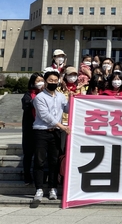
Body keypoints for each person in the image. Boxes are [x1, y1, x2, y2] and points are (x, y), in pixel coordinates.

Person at [32, 70, 70, 202]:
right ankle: (39, 188)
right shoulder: (39, 97)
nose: (53, 83)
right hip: (41, 132)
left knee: (54, 161)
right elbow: (45, 116)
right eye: (50, 80)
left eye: (55, 80)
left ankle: (53, 187)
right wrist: (62, 126)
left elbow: (68, 109)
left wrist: (72, 97)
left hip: (55, 133)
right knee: (39, 161)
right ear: (45, 81)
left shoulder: (61, 96)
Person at [21, 72, 44, 185]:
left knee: (40, 154)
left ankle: (39, 176)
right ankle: (27, 176)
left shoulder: (47, 94)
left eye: (42, 80)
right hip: (30, 129)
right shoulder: (28, 95)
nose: (40, 83)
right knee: (28, 154)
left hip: (42, 129)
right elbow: (26, 105)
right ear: (33, 82)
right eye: (37, 81)